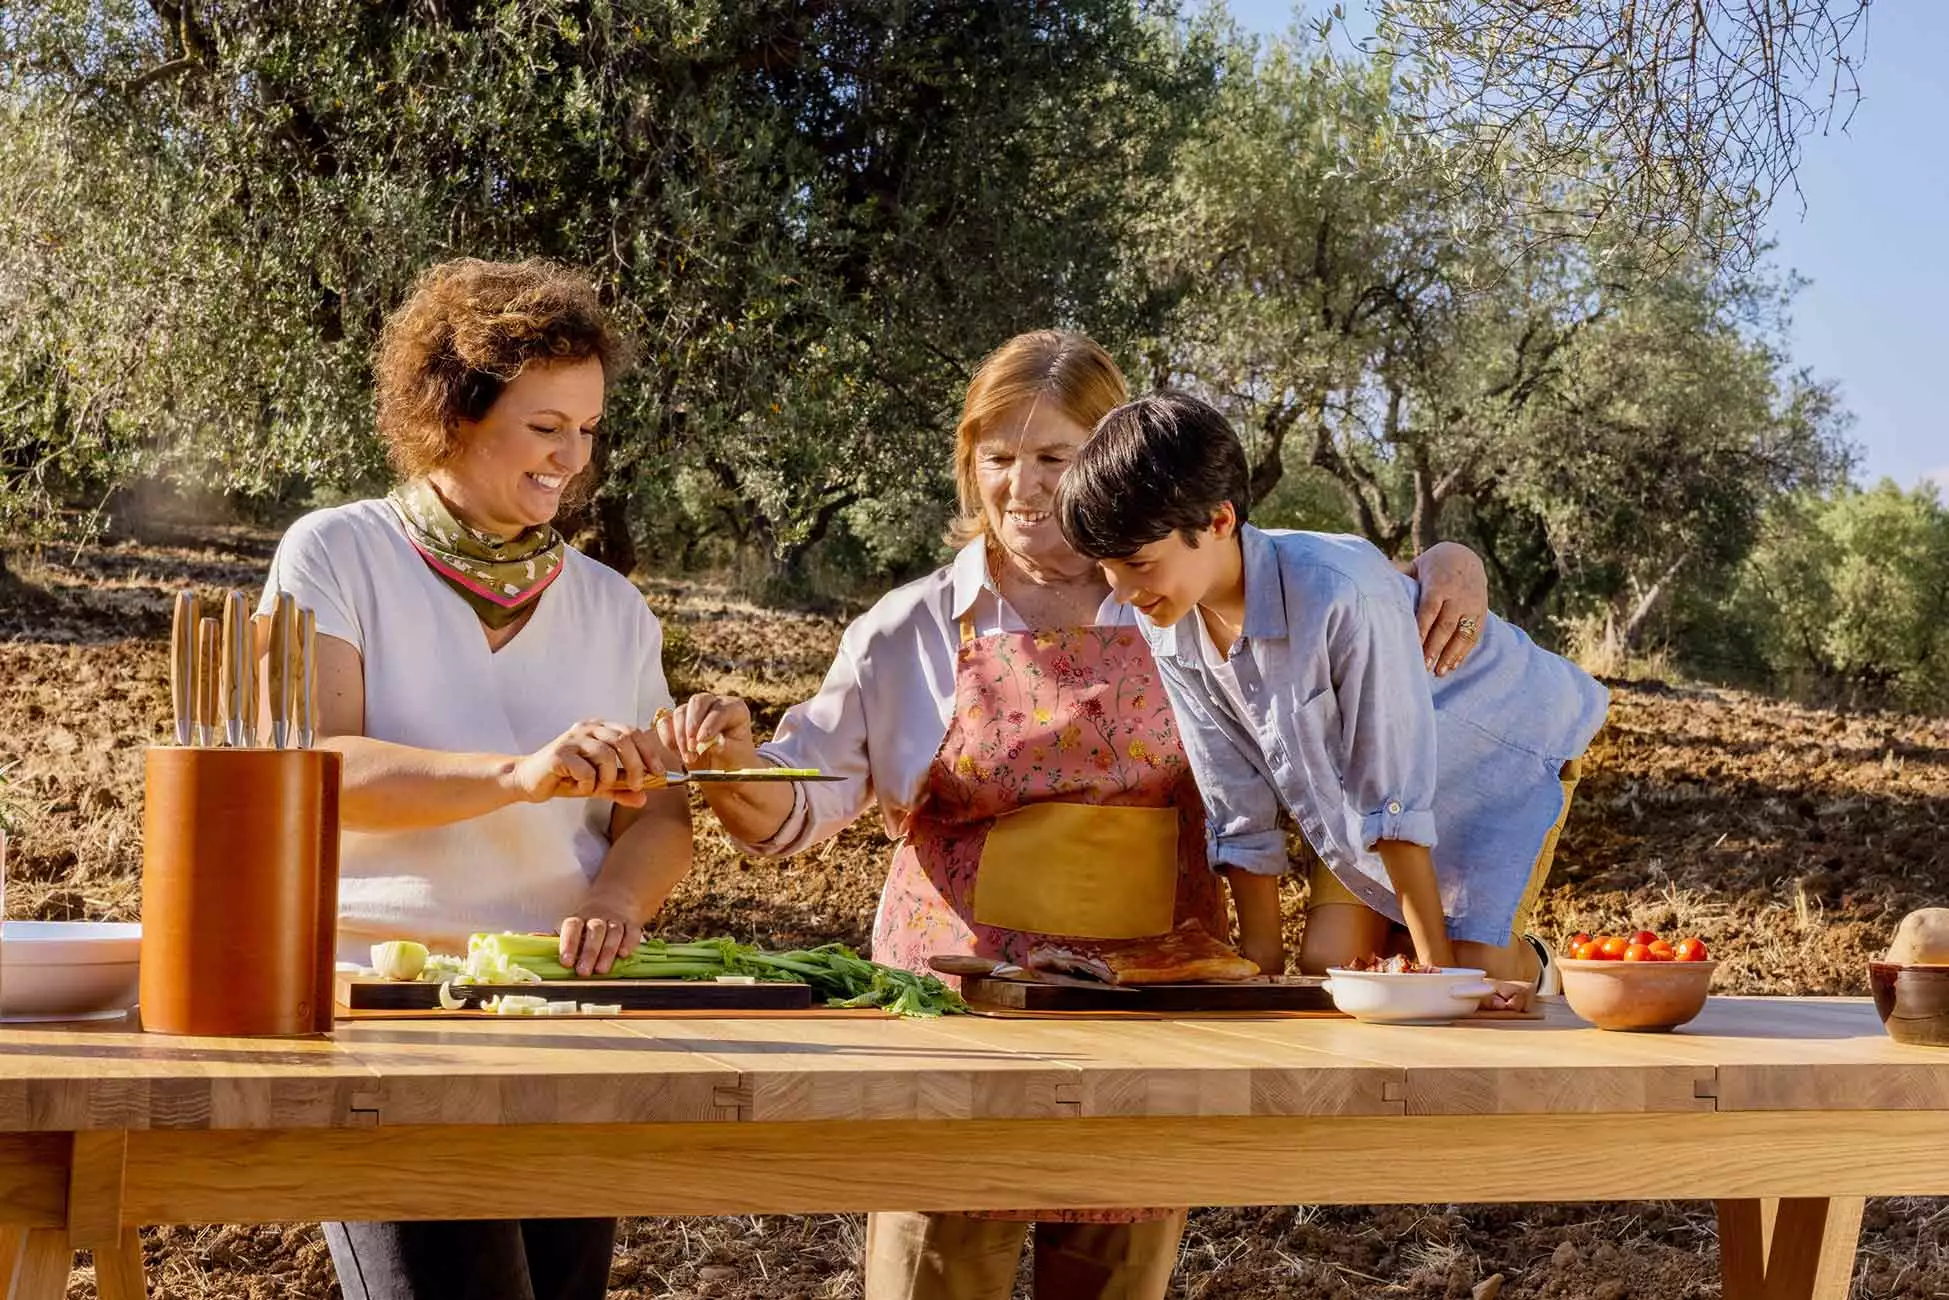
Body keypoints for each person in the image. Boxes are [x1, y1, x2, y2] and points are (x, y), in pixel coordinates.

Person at [654, 331, 1493, 1300]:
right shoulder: (911, 628)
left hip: (1155, 1024)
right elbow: (790, 805)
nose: (1021, 486)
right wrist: (724, 765)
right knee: (936, 1269)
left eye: (1052, 456)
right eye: (995, 456)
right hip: (967, 1022)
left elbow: (1347, 589)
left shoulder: (1184, 589)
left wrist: (1450, 561)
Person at [256, 257, 686, 1300]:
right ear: (453, 409)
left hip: (564, 1016)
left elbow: (663, 812)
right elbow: (314, 765)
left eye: (586, 430)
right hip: (386, 1015)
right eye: (547, 426)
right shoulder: (336, 555)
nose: (572, 458)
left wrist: (616, 900)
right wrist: (518, 773)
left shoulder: (611, 607)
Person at [1055, 390, 1610, 986]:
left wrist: (1440, 982)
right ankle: (1428, 943)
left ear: (1218, 521)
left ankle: (1543, 967)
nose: (1121, 588)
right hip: (1370, 786)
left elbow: (1392, 791)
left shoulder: (1337, 592)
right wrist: (1259, 974)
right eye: (1105, 567)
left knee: (1473, 971)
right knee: (1330, 964)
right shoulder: (1167, 617)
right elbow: (1235, 799)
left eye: (1137, 564)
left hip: (1500, 739)